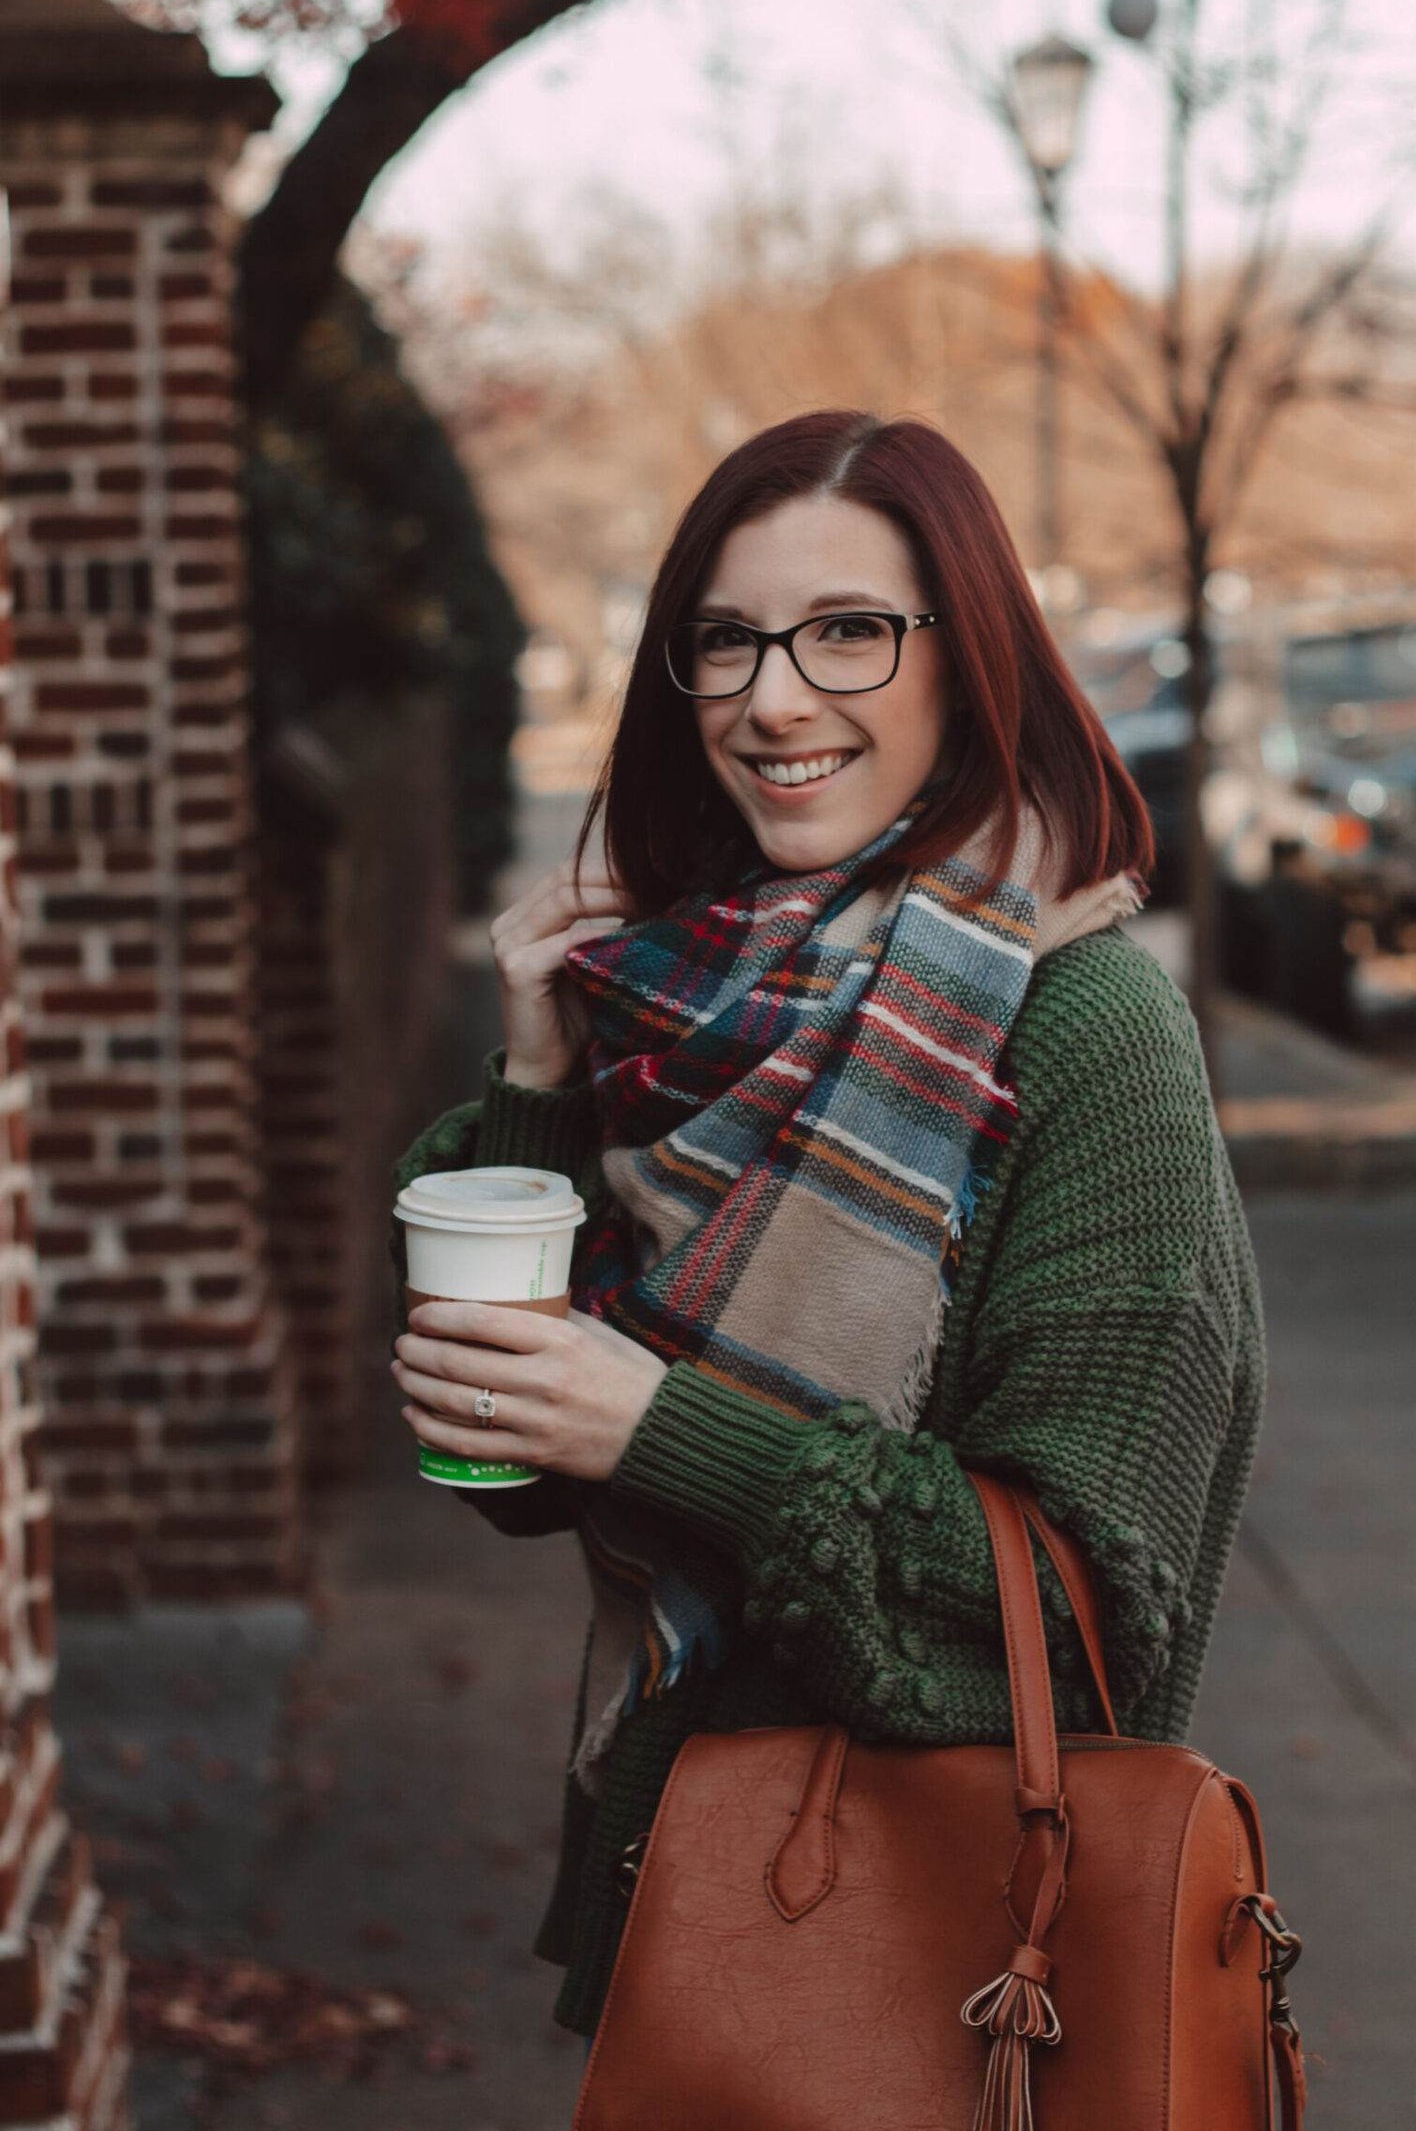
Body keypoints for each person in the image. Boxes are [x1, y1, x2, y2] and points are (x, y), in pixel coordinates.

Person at [389, 410, 1266, 2047]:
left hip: (968, 1968)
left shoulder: (1086, 1031)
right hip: (705, 1922)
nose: (774, 697)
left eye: (849, 631)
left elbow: (1084, 1628)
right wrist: (535, 1079)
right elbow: (511, 1476)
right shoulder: (683, 1005)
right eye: (724, 641)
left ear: (971, 656)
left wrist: (658, 1422)